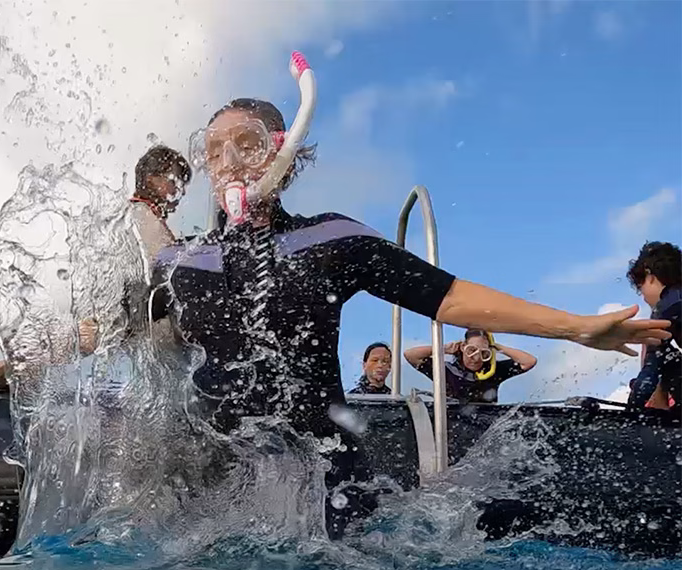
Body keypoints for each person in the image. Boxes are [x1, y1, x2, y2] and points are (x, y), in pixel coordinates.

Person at [137, 96, 668, 539]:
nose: (228, 161)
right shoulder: (179, 262)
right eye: (213, 152)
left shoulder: (328, 240)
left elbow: (450, 297)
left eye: (247, 144)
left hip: (324, 484)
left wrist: (575, 326)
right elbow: (118, 329)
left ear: (286, 154)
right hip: (218, 485)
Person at [0, 145, 192, 392]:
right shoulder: (141, 218)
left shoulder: (131, 219)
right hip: (150, 356)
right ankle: (7, 370)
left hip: (139, 350)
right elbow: (158, 280)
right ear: (153, 178)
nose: (180, 192)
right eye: (176, 181)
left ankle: (9, 369)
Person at [404, 329, 537, 403]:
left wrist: (499, 347)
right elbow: (410, 355)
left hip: (485, 426)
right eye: (471, 350)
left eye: (484, 353)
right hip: (453, 424)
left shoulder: (495, 371)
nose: (476, 358)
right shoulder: (446, 370)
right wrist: (443, 348)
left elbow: (529, 361)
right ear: (462, 347)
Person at [626, 241, 681, 410]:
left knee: (655, 345)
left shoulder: (666, 308)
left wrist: (631, 412)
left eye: (640, 287)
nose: (642, 297)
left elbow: (647, 380)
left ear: (649, 276)